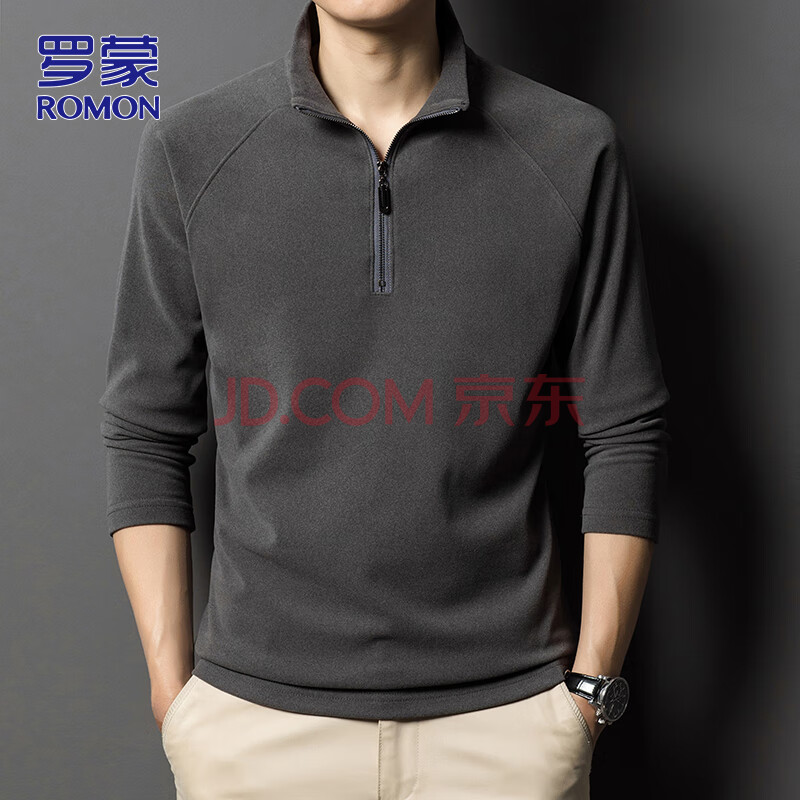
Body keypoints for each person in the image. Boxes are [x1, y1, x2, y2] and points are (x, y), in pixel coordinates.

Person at [99, 0, 670, 797]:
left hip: (507, 725)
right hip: (255, 726)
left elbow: (625, 429)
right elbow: (145, 429)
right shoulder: (192, 148)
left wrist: (588, 693)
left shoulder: (571, 147)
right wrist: (177, 698)